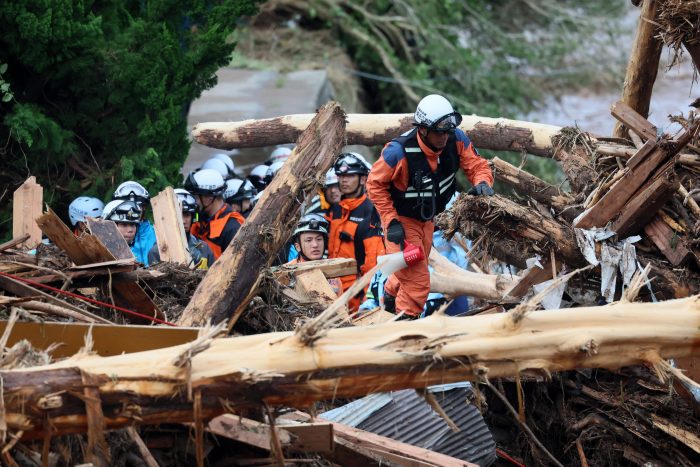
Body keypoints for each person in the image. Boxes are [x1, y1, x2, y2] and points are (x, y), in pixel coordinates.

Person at [366, 94, 494, 318]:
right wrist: (390, 220)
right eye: (439, 131)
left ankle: (389, 293)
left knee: (413, 263)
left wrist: (482, 183)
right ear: (423, 129)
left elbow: (477, 165)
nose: (444, 137)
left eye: (447, 131)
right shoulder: (398, 152)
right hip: (402, 223)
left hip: (429, 220)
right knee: (418, 283)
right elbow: (374, 184)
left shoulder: (457, 139)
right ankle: (405, 332)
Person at [328, 152, 385, 309]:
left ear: (362, 179)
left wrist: (367, 297)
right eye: (340, 176)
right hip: (334, 286)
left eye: (350, 176)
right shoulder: (337, 209)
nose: (344, 180)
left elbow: (372, 262)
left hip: (357, 290)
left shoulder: (370, 211)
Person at [184, 168, 244, 259]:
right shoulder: (200, 219)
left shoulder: (232, 228)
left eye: (196, 197)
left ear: (209, 197)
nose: (194, 201)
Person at [147, 189, 215, 269]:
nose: (183, 221)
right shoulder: (157, 252)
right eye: (178, 215)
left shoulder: (204, 249)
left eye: (186, 215)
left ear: (192, 217)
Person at [286, 214, 342, 296]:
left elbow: (342, 306)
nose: (315, 245)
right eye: (308, 240)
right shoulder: (286, 272)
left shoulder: (333, 272)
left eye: (319, 239)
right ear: (298, 247)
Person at [113, 181, 157, 267]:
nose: (132, 210)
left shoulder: (157, 234)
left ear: (144, 207)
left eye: (138, 206)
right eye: (127, 206)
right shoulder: (110, 237)